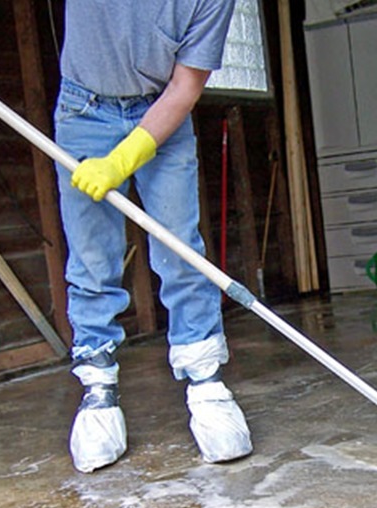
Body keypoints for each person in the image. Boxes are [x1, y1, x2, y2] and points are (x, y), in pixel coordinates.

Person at [53, 0, 252, 473]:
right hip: (84, 108)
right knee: (92, 260)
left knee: (181, 251)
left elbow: (185, 88)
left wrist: (121, 161)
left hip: (163, 109)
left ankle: (206, 385)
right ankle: (98, 391)